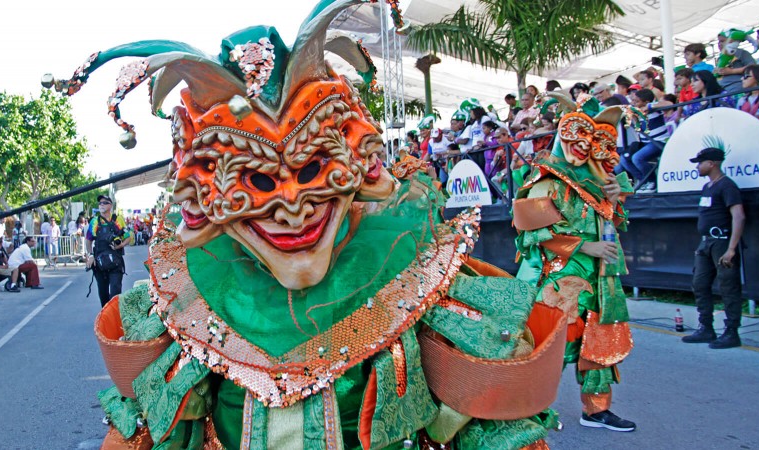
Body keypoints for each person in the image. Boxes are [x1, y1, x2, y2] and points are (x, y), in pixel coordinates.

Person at [52, 2, 566, 447]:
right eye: (254, 178)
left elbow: (488, 426)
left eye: (313, 166)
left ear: (358, 162)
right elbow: (154, 433)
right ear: (202, 194)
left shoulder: (413, 278)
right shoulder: (191, 301)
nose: (293, 206)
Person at [515, 92, 636, 432]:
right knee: (549, 348)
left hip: (601, 281)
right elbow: (533, 233)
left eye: (595, 140)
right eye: (579, 135)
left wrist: (614, 199)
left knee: (599, 344)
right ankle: (526, 410)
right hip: (561, 282)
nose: (584, 147)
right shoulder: (547, 181)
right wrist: (588, 247)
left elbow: (616, 224)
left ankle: (597, 410)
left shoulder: (599, 183)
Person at [682, 146, 746, 349]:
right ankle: (706, 328)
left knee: (728, 287)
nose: (698, 167)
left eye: (701, 163)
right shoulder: (707, 187)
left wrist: (731, 249)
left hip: (722, 242)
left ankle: (731, 332)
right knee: (699, 284)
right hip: (705, 243)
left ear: (712, 163)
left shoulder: (727, 186)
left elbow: (739, 216)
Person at [617, 89, 670, 191]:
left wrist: (650, 107)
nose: (634, 103)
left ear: (646, 102)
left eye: (637, 101)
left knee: (637, 158)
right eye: (633, 101)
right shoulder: (638, 111)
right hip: (644, 143)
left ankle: (653, 181)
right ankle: (644, 181)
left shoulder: (654, 108)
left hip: (658, 142)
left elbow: (669, 103)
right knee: (624, 158)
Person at [85, 195, 130, 307]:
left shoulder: (118, 220)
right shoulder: (95, 221)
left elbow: (128, 237)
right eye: (100, 203)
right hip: (100, 264)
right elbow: (88, 240)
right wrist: (90, 255)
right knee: (103, 294)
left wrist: (121, 245)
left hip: (116, 263)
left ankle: (114, 320)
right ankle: (106, 320)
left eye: (104, 203)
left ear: (110, 205)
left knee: (115, 293)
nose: (101, 205)